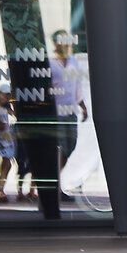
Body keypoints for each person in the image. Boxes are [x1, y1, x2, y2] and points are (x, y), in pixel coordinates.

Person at [50, 28, 90, 161]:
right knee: (60, 146)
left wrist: (83, 107)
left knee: (71, 145)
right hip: (57, 114)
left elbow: (77, 86)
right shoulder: (50, 63)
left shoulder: (73, 61)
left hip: (71, 112)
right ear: (56, 44)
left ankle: (59, 174)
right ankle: (58, 178)